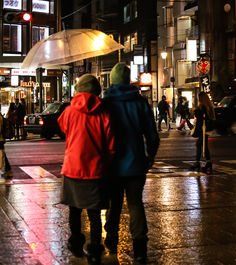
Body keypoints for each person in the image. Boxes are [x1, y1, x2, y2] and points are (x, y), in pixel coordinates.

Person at [102, 63, 160, 262]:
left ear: (112, 80)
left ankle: (111, 240)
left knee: (114, 204)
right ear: (128, 80)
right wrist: (150, 155)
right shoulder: (140, 102)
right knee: (135, 203)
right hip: (135, 162)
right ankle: (140, 248)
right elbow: (152, 134)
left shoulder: (106, 102)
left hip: (112, 163)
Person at [58, 74, 115, 265]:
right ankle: (94, 250)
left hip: (72, 168)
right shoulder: (103, 111)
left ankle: (75, 244)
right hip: (95, 170)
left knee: (74, 210)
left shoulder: (68, 111)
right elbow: (111, 144)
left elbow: (63, 127)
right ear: (97, 90)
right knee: (94, 213)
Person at [191, 92, 215, 173]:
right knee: (204, 145)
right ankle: (208, 162)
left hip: (203, 129)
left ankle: (198, 162)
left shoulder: (203, 107)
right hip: (207, 129)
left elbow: (200, 117)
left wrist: (195, 111)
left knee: (199, 144)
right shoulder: (209, 107)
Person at [0, 113, 12, 184]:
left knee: (2, 155)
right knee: (3, 154)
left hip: (0, 139)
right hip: (1, 139)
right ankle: (8, 170)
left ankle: (8, 170)